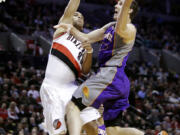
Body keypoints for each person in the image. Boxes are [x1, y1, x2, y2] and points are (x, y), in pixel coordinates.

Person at [55, 0, 145, 135]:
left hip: (110, 75)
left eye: (120, 4)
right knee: (112, 130)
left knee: (73, 106)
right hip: (115, 80)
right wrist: (70, 29)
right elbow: (87, 38)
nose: (115, 5)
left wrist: (126, 3)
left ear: (129, 10)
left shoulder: (129, 28)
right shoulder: (110, 26)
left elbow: (121, 25)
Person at [39, 0, 114, 134]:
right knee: (59, 132)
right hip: (52, 88)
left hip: (71, 88)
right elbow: (72, 6)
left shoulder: (86, 39)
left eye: (82, 17)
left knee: (93, 126)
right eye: (76, 15)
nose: (79, 17)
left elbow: (85, 71)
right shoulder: (63, 29)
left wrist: (122, 18)